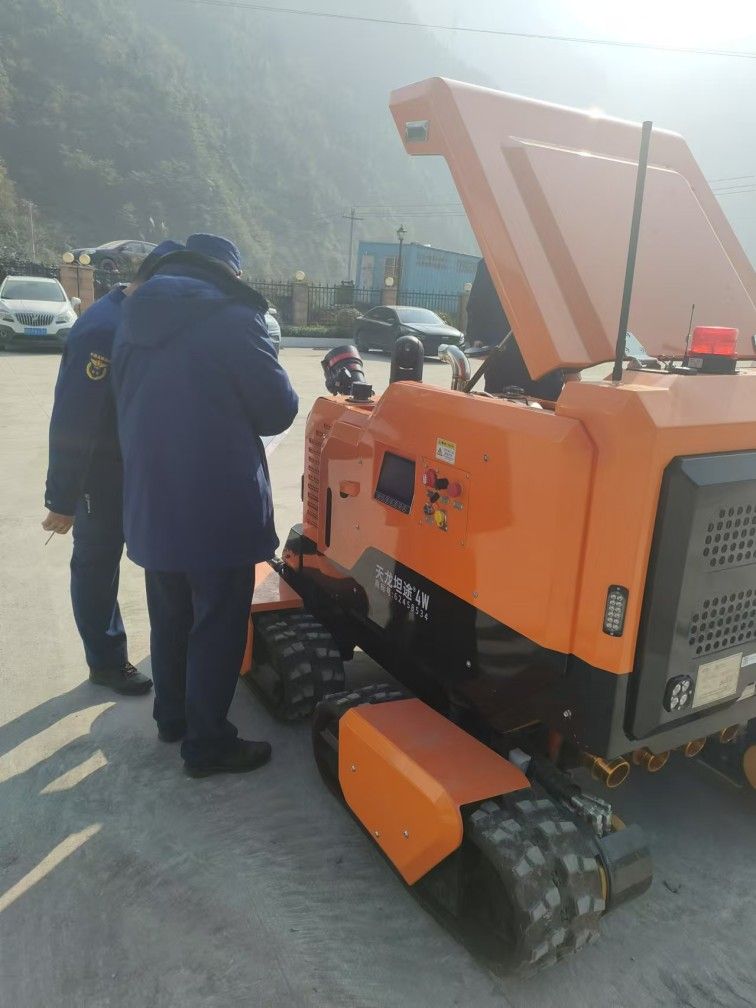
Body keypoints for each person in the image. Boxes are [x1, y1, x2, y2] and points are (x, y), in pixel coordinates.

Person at [112, 233, 298, 778]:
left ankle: (172, 718)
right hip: (219, 505)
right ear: (229, 273)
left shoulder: (131, 316)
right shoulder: (236, 318)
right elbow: (277, 411)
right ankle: (208, 744)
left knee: (171, 616)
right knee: (216, 624)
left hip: (152, 497)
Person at [43, 240, 183, 695]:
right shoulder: (102, 330)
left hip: (138, 466)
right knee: (97, 564)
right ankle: (105, 661)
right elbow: (73, 419)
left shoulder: (139, 318)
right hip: (102, 474)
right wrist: (62, 497)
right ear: (158, 284)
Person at [465, 258, 567, 399]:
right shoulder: (493, 260)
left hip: (546, 364)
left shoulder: (553, 261)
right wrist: (478, 338)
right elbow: (477, 305)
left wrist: (572, 369)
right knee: (501, 406)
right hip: (504, 359)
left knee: (545, 405)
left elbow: (566, 312)